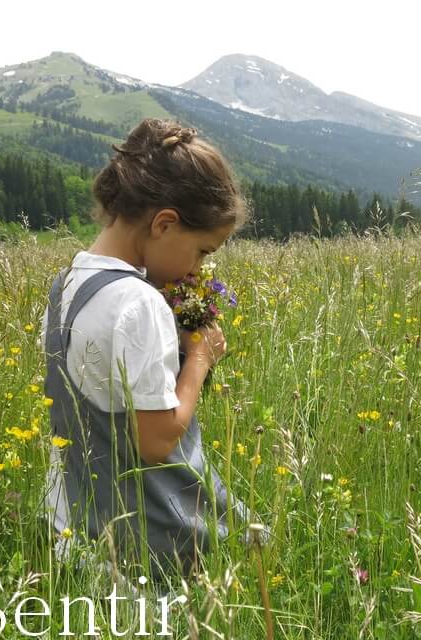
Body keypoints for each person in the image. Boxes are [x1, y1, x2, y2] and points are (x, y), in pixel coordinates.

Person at [40, 118, 259, 587]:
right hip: (138, 550)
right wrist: (198, 359)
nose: (201, 267)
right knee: (255, 543)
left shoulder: (68, 283)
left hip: (73, 530)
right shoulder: (138, 303)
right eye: (203, 251)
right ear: (164, 223)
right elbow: (156, 442)